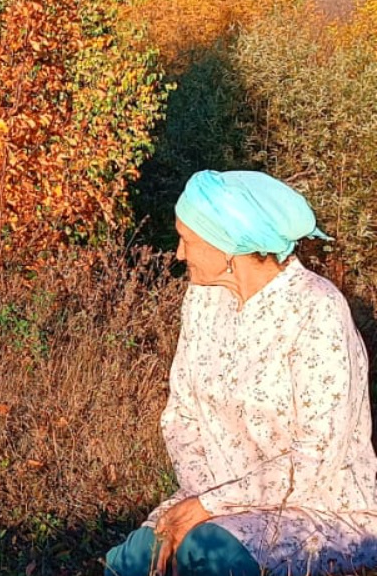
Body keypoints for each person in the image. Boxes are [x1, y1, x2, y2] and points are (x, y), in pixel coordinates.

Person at [104, 170, 377, 576]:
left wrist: (210, 508)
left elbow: (317, 455)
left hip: (318, 505)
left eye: (188, 240)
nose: (179, 254)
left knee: (209, 554)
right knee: (135, 560)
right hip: (215, 499)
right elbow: (181, 415)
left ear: (228, 246)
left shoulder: (317, 310)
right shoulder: (203, 300)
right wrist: (203, 500)